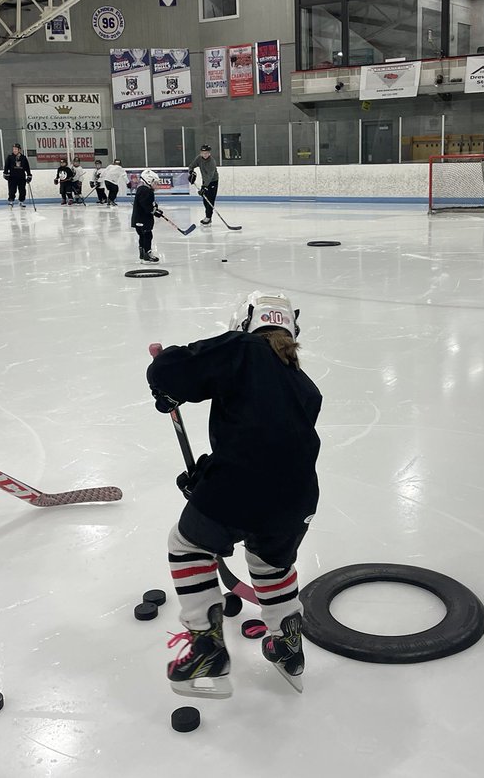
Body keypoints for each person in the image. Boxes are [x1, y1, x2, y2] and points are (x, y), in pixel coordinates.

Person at [147, 292, 322, 698]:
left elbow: (174, 368)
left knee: (187, 546)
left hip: (242, 485)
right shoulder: (304, 386)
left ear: (245, 324)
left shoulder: (243, 348)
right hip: (298, 499)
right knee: (269, 561)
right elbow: (270, 443)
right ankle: (287, 645)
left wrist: (164, 384)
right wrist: (210, 478)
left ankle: (206, 648)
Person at [131, 169, 161, 263]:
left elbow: (149, 204)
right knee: (147, 236)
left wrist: (156, 209)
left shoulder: (143, 189)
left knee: (143, 236)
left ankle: (143, 255)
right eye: (155, 182)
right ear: (149, 181)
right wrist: (154, 211)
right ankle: (147, 256)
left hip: (139, 219)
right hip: (142, 220)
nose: (157, 185)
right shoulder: (146, 191)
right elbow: (146, 206)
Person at [188, 144, 219, 225]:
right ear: (201, 153)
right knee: (205, 200)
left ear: (209, 153)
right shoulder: (199, 158)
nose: (205, 154)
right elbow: (191, 166)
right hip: (205, 181)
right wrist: (191, 172)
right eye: (203, 153)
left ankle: (208, 217)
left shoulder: (212, 162)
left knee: (210, 200)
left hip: (213, 182)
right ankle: (208, 216)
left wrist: (204, 187)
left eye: (206, 153)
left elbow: (210, 176)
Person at [3, 142, 32, 207]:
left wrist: (29, 175)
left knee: (22, 190)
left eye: (16, 149)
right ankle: (11, 201)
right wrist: (5, 173)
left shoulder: (23, 158)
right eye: (13, 149)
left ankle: (21, 201)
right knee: (12, 190)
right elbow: (6, 166)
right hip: (12, 177)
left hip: (21, 177)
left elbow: (27, 167)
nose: (14, 150)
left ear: (19, 150)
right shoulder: (10, 157)